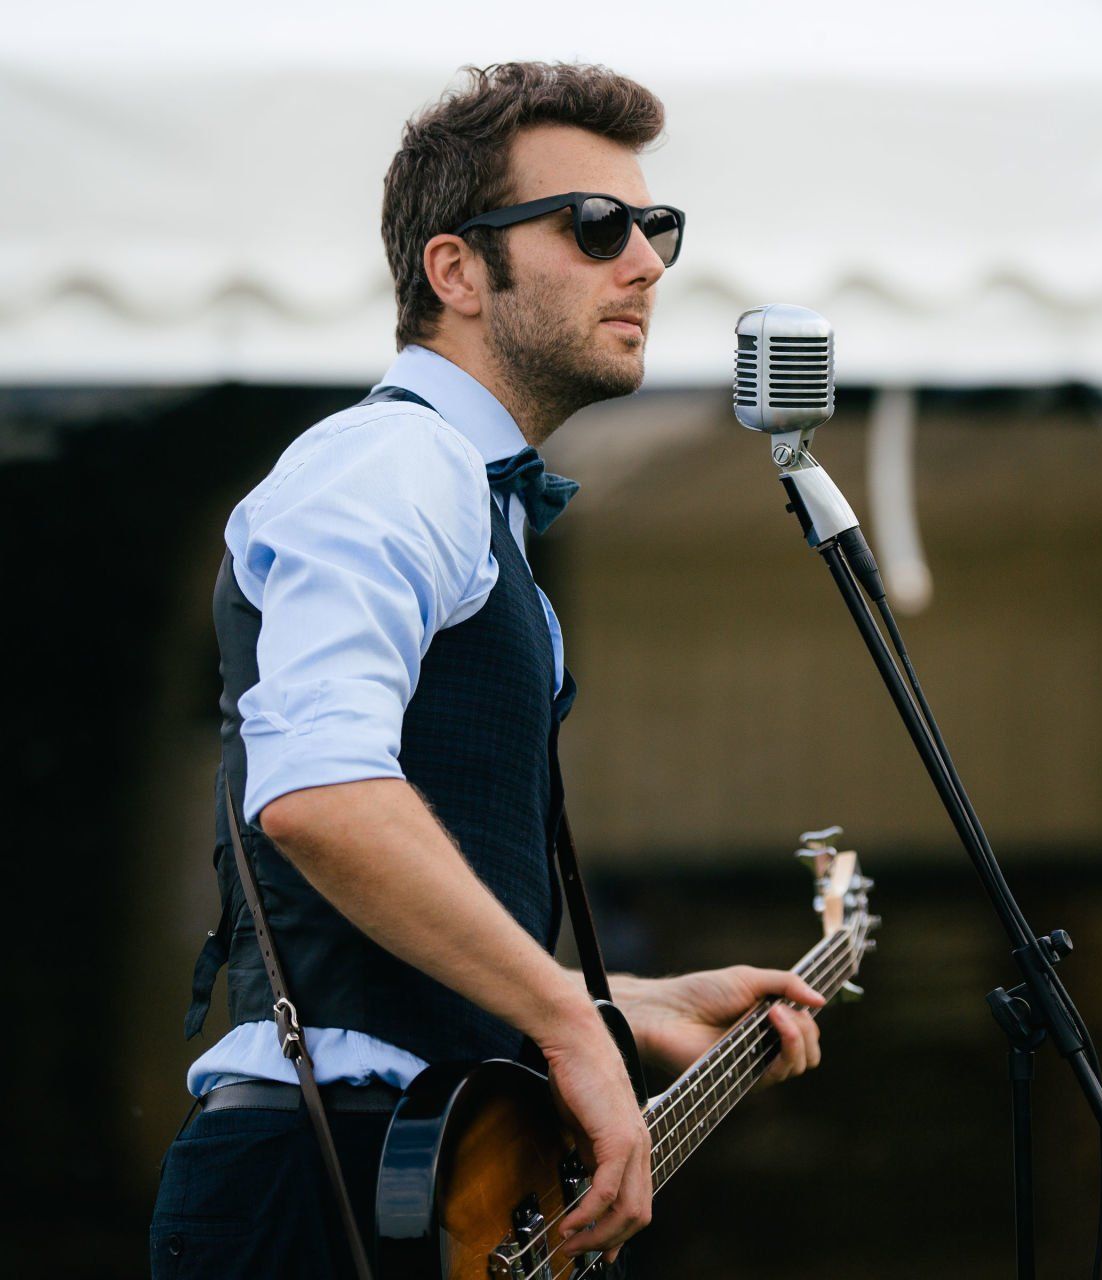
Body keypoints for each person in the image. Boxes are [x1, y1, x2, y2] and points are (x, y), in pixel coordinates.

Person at [150, 62, 824, 1277]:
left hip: (420, 1165)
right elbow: (319, 792)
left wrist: (629, 1003)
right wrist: (568, 1023)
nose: (646, 263)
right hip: (328, 1175)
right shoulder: (389, 465)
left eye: (655, 227)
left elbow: (406, 930)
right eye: (597, 225)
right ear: (456, 271)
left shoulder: (473, 499)